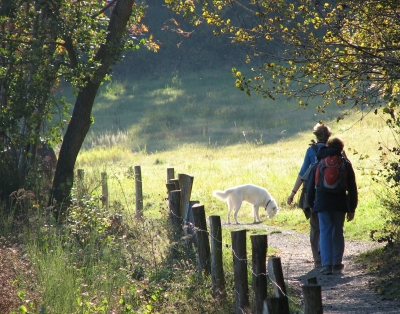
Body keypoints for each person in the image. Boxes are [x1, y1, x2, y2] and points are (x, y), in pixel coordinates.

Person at [306, 137, 358, 275]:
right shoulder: (345, 163)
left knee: (325, 231)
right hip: (339, 203)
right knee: (338, 232)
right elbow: (352, 187)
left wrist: (311, 204)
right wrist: (351, 208)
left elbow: (311, 185)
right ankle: (337, 263)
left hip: (322, 203)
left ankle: (326, 265)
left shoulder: (320, 161)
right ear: (341, 148)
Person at [287, 123, 332, 268]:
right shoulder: (334, 151)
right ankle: (330, 259)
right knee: (330, 226)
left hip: (312, 195)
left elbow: (302, 173)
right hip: (331, 195)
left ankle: (318, 261)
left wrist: (293, 193)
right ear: (328, 136)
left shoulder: (311, 151)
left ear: (316, 135)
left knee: (315, 227)